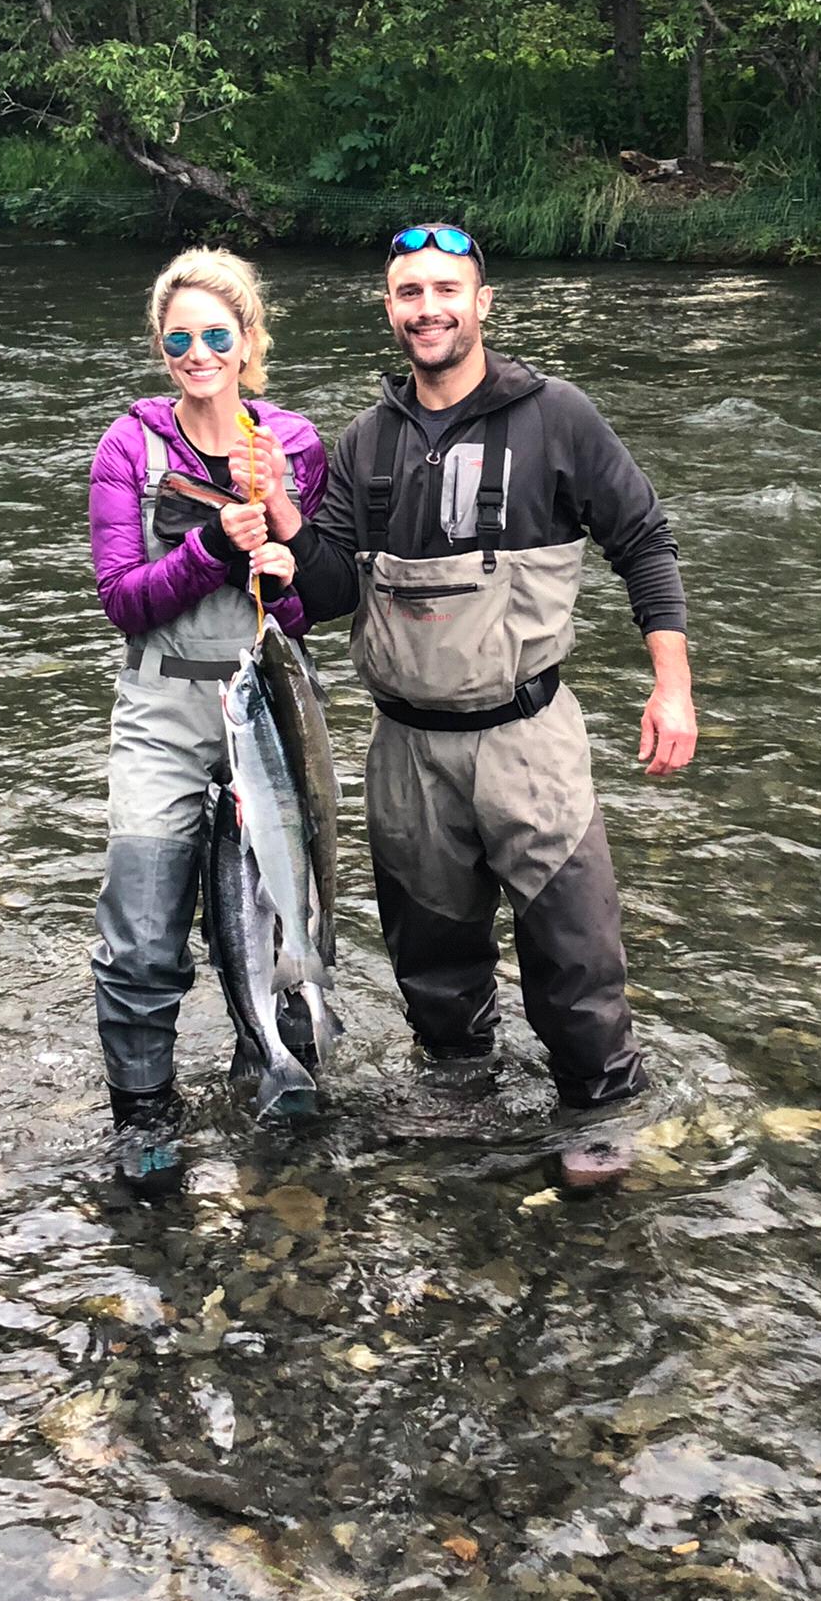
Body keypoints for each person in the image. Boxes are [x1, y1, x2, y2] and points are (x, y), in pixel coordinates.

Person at [228, 224, 695, 1172]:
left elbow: (643, 541)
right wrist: (282, 514)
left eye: (446, 290)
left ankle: (600, 1108)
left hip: (529, 737)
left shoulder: (557, 417)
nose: (427, 309)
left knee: (573, 948)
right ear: (389, 309)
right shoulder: (367, 442)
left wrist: (672, 687)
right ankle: (458, 1086)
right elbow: (329, 590)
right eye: (409, 293)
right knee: (432, 957)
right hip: (406, 749)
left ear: (482, 302)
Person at [89, 248, 328, 1181]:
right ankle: (145, 1117)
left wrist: (287, 566)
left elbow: (314, 605)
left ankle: (279, 1075)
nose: (199, 354)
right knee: (144, 923)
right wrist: (212, 551)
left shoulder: (295, 445)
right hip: (165, 703)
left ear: (249, 341)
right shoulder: (128, 446)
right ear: (160, 346)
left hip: (273, 700)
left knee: (288, 910)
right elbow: (122, 599)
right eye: (180, 338)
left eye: (217, 336)